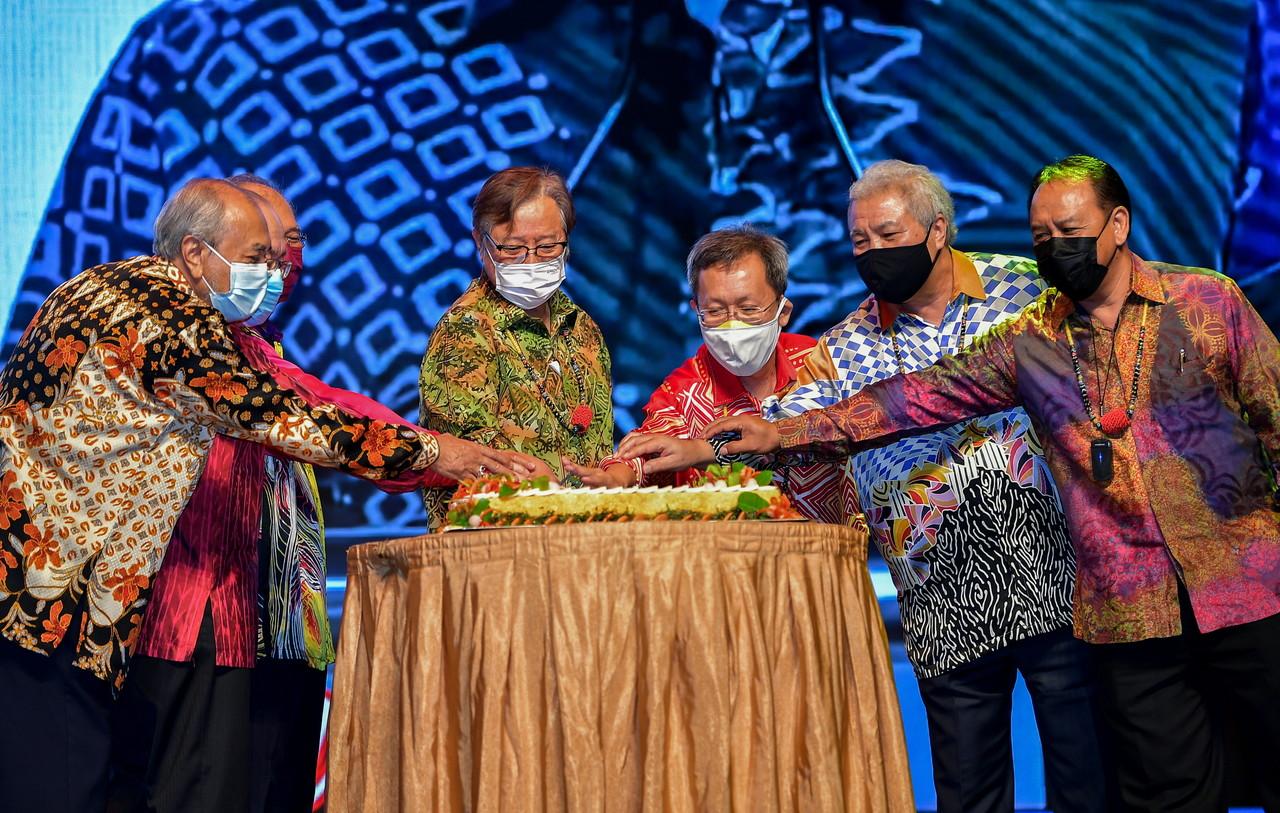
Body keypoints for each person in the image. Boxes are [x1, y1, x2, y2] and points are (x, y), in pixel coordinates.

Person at [697, 155, 1280, 813]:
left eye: (1069, 228)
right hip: (1046, 609)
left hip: (1166, 588)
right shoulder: (991, 340)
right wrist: (749, 435)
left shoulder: (1143, 299)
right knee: (1147, 793)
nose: (1055, 246)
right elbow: (892, 404)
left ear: (1117, 224)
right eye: (1040, 236)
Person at [0, 177, 525, 813]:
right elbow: (283, 417)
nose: (272, 274)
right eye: (256, 259)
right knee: (60, 788)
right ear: (196, 254)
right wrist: (439, 453)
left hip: (55, 591)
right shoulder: (164, 317)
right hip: (48, 598)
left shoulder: (104, 285)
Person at [566, 226, 830, 512]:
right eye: (715, 311)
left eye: (749, 309)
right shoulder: (683, 392)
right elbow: (649, 448)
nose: (733, 323)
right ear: (696, 310)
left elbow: (853, 426)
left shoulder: (820, 364)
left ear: (783, 311)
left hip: (829, 547)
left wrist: (705, 451)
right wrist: (616, 478)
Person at [419, 166, 615, 523]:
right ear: (481, 243)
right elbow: (467, 458)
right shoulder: (465, 331)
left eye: (547, 246)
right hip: (495, 545)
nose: (532, 261)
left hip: (586, 538)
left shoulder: (583, 328)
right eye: (513, 248)